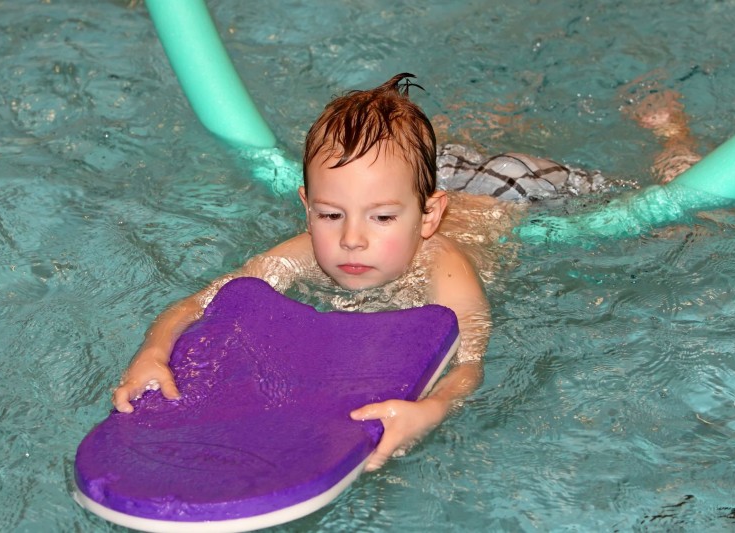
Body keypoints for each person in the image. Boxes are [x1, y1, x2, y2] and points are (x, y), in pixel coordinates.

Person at [112, 72, 699, 471]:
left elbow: (470, 360)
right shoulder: (298, 251)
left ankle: (673, 132)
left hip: (508, 190)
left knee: (671, 212)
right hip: (426, 173)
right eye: (330, 214)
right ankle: (479, 117)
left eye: (383, 218)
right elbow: (200, 304)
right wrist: (154, 350)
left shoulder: (444, 262)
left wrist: (433, 409)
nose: (352, 238)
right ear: (306, 206)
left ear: (428, 217)